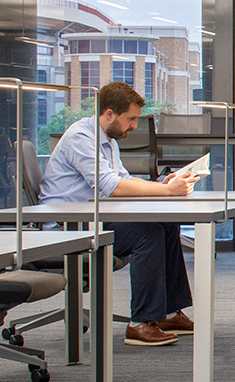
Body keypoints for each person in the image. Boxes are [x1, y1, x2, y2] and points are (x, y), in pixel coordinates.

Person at [39, 82, 200, 346]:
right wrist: (169, 192)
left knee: (167, 224)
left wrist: (162, 185)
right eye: (131, 119)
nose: (135, 125)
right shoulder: (82, 137)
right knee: (146, 235)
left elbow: (122, 179)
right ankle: (140, 323)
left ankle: (168, 314)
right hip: (68, 225)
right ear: (110, 113)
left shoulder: (107, 140)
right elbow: (110, 186)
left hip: (92, 216)